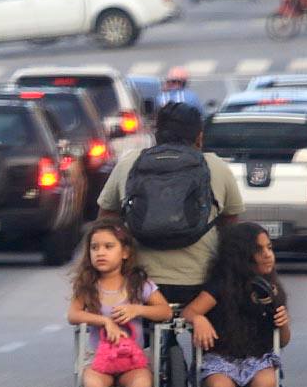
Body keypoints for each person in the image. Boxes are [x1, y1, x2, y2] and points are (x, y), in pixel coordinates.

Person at [181, 223, 292, 387]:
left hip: (257, 356)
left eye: (269, 248)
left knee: (266, 384)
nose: (268, 255)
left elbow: (284, 340)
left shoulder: (272, 288)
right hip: (221, 356)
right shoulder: (222, 285)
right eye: (259, 250)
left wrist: (284, 324)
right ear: (242, 255)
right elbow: (190, 311)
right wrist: (199, 320)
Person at [97, 102, 245, 306]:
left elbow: (105, 220)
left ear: (156, 135)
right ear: (199, 137)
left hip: (140, 283)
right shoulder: (216, 167)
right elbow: (232, 226)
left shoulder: (129, 163)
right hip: (198, 284)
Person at [68, 219, 172, 387]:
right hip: (99, 359)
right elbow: (73, 314)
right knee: (93, 386)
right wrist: (103, 321)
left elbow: (165, 312)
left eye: (108, 247)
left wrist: (138, 311)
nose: (100, 253)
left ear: (125, 252)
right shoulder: (89, 285)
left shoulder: (138, 283)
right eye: (94, 248)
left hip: (131, 359)